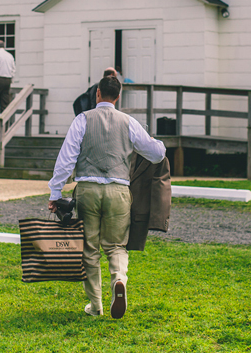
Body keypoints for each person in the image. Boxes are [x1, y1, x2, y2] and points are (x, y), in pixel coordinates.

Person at [48, 75, 166, 319]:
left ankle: (96, 305)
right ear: (118, 97)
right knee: (116, 246)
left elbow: (66, 159)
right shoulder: (129, 122)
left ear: (98, 94)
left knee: (89, 249)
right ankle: (119, 281)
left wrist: (56, 192)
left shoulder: (82, 120)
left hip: (88, 190)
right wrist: (157, 143)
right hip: (119, 191)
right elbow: (156, 154)